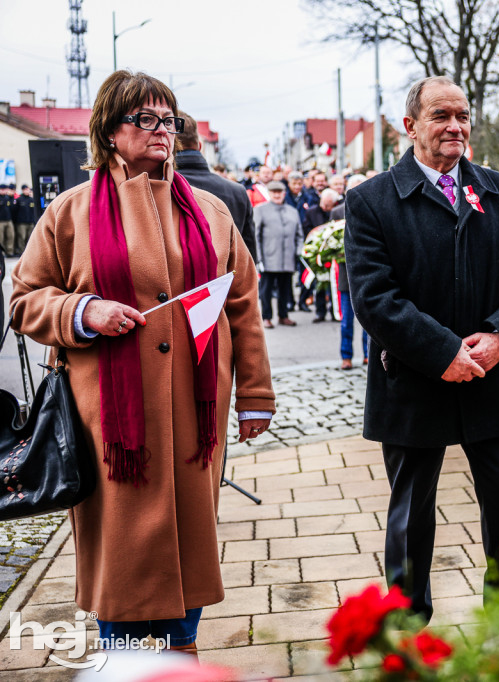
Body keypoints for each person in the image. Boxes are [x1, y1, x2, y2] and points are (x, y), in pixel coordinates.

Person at [9, 70, 274, 654]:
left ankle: (182, 654)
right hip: (110, 423)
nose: (161, 131)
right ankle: (123, 658)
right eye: (145, 119)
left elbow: (243, 306)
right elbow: (25, 300)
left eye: (168, 120)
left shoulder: (210, 210)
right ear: (108, 130)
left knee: (189, 554)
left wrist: (255, 397)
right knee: (124, 568)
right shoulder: (69, 212)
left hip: (191, 414)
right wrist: (85, 311)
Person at [345, 75, 499, 621]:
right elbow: (375, 298)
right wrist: (441, 352)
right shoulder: (370, 200)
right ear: (410, 126)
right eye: (440, 116)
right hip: (412, 382)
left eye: (462, 115)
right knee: (411, 514)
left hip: (493, 379)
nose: (455, 126)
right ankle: (409, 624)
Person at [174, 113, 258, 261]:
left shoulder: (160, 188)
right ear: (200, 146)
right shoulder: (237, 191)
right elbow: (249, 256)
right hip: (229, 280)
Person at [254, 180, 303, 328]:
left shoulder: (292, 211)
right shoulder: (260, 210)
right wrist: (258, 257)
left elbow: (299, 234)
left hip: (287, 257)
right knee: (266, 290)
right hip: (269, 257)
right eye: (274, 192)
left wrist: (298, 251)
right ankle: (266, 317)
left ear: (284, 194)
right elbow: (255, 234)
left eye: (279, 192)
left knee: (285, 289)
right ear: (269, 194)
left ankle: (283, 315)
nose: (277, 195)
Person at [332, 173, 369, 368]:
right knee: (346, 321)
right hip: (346, 275)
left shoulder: (373, 208)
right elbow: (329, 241)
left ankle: (367, 354)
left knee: (369, 320)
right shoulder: (338, 211)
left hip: (367, 274)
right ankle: (346, 356)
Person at [301, 188, 339, 322]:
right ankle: (320, 312)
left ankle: (335, 312)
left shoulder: (336, 212)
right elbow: (306, 228)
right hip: (318, 253)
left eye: (328, 205)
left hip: (334, 252)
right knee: (320, 283)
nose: (324, 207)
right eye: (323, 203)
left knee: (334, 284)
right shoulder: (312, 211)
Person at [13, 184, 36, 256]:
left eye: (28, 189)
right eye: (26, 189)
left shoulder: (32, 200)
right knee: (22, 238)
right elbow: (15, 211)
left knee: (30, 238)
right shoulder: (19, 200)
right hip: (21, 223)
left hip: (30, 222)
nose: (27, 191)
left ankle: (30, 252)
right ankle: (22, 252)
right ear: (23, 190)